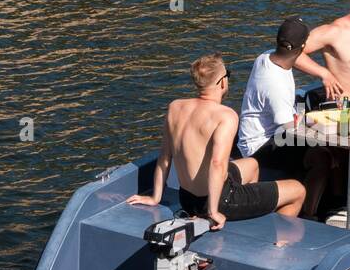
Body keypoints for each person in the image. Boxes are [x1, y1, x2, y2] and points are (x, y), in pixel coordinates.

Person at [127, 54, 304, 229]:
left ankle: (248, 220)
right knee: (298, 190)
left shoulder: (175, 107)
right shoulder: (225, 116)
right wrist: (213, 211)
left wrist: (155, 197)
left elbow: (165, 156)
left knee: (252, 164)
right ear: (222, 82)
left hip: (187, 199)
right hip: (219, 201)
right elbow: (217, 164)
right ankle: (277, 245)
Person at [236, 18, 331, 216]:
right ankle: (308, 214)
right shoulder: (275, 85)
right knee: (322, 156)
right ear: (302, 48)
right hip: (259, 148)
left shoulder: (266, 57)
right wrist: (326, 126)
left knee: (317, 146)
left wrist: (323, 74)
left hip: (266, 134)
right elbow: (290, 129)